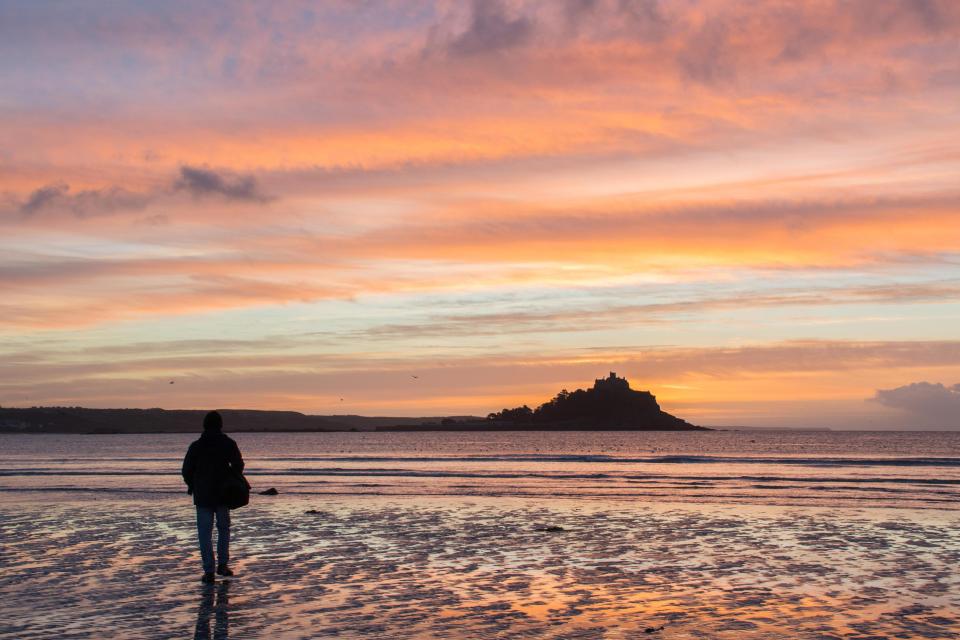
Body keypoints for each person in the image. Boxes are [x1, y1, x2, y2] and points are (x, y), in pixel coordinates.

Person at [182, 410, 245, 583]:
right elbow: (239, 464)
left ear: (204, 425)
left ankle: (209, 570)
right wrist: (232, 477)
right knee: (223, 529)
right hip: (223, 492)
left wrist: (192, 485)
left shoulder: (196, 446)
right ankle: (222, 565)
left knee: (204, 533)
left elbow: (186, 470)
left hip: (203, 494)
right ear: (220, 425)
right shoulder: (228, 443)